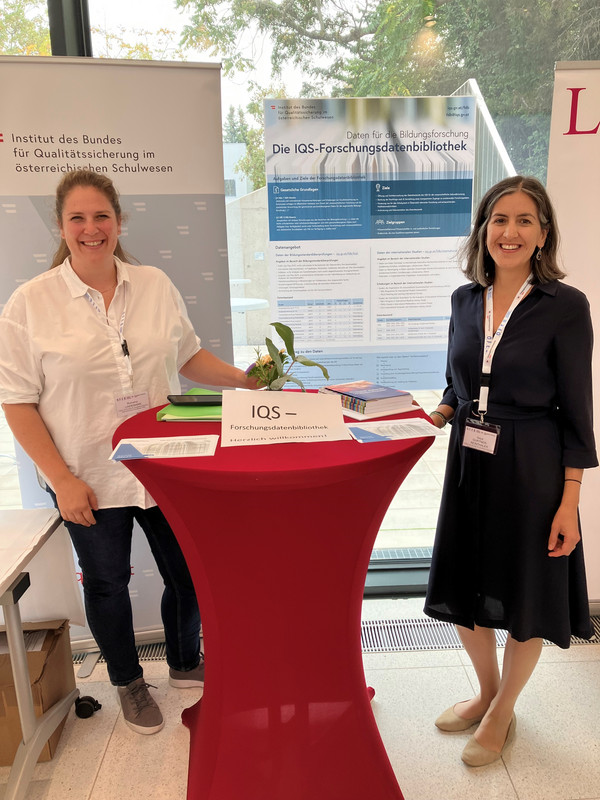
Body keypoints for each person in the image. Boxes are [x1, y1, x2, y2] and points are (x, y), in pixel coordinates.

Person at [0, 169, 259, 735]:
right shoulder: (30, 303)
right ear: (60, 226)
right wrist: (61, 481)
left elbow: (187, 356)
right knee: (108, 582)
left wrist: (245, 381)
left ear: (119, 221)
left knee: (188, 574)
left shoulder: (155, 284)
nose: (91, 228)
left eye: (101, 217)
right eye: (78, 218)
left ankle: (185, 662)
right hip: (87, 473)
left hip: (166, 463)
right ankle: (128, 681)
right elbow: (17, 402)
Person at [424, 175, 597, 766]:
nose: (510, 231)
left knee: (525, 590)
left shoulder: (566, 306)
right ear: (483, 229)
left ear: (544, 233)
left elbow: (578, 409)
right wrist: (442, 410)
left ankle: (502, 713)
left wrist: (570, 501)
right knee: (463, 580)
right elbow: (459, 378)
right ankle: (489, 695)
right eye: (500, 219)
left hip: (534, 464)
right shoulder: (464, 300)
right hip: (470, 458)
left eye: (525, 220)